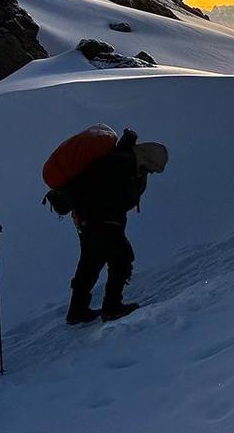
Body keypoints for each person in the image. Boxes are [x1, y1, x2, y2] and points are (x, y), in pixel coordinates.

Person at [65, 128, 166, 324]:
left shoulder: (120, 159)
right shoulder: (124, 163)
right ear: (149, 159)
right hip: (103, 221)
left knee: (91, 261)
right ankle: (112, 307)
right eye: (152, 168)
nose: (151, 172)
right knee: (122, 258)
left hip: (87, 219)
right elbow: (119, 197)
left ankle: (76, 311)